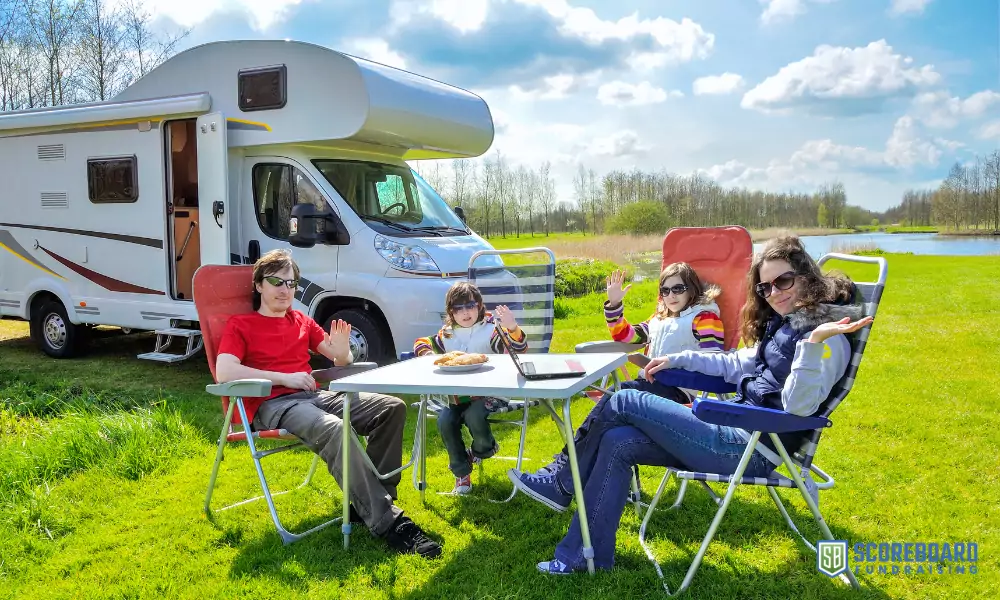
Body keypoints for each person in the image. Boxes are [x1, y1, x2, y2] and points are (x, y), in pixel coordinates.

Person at [511, 234, 872, 574]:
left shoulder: (827, 337)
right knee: (616, 441)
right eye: (766, 286)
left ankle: (560, 482)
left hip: (751, 447)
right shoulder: (785, 324)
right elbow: (734, 363)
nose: (773, 293)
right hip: (732, 431)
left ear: (807, 277)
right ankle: (582, 556)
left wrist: (811, 345)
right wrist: (678, 361)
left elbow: (799, 408)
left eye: (783, 282)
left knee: (621, 400)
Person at [215, 249, 441, 559]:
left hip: (314, 396)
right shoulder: (241, 325)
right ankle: (391, 523)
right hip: (273, 403)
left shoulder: (301, 321)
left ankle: (372, 503)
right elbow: (225, 371)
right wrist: (286, 377)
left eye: (291, 283)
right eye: (276, 282)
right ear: (259, 285)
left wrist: (343, 351)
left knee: (391, 408)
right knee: (335, 430)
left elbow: (340, 358)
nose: (285, 290)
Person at [519, 263, 725, 480]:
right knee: (611, 422)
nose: (670, 295)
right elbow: (627, 336)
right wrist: (614, 304)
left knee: (615, 397)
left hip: (677, 393)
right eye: (665, 290)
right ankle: (587, 478)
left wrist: (670, 366)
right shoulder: (658, 320)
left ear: (691, 289)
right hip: (650, 388)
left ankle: (562, 471)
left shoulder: (704, 318)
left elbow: (712, 361)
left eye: (678, 289)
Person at [414, 281, 528, 494]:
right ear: (451, 312)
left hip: (492, 393)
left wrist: (512, 327)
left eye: (470, 306)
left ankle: (483, 449)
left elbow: (518, 350)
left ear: (479, 306)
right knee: (445, 420)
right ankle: (461, 474)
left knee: (474, 416)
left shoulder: (492, 330)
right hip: (458, 397)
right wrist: (429, 355)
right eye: (458, 308)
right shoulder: (447, 334)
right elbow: (421, 342)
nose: (465, 313)